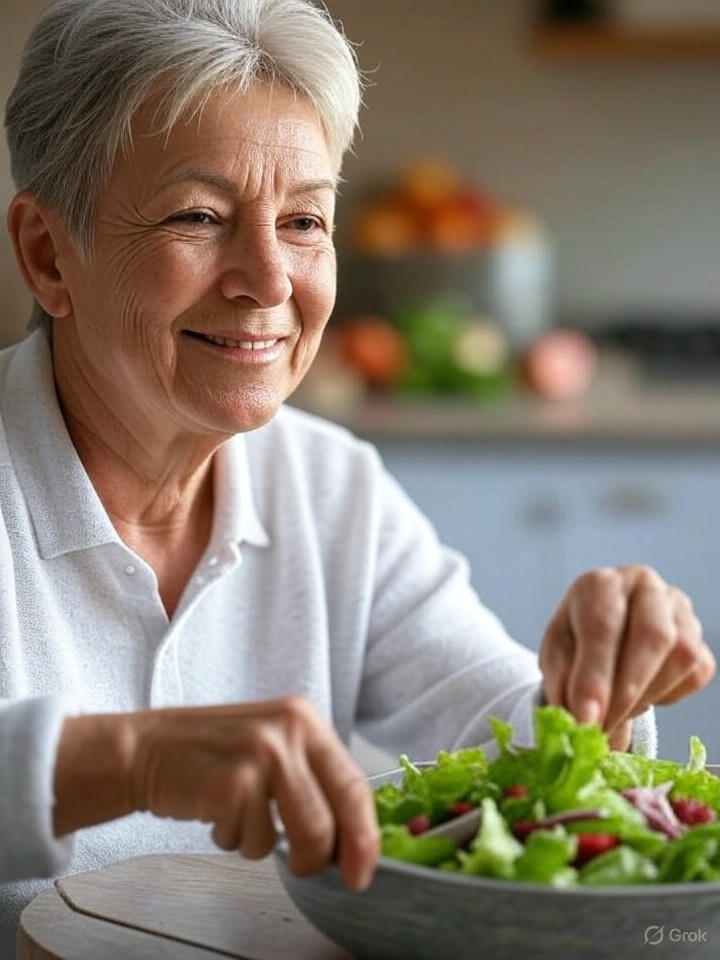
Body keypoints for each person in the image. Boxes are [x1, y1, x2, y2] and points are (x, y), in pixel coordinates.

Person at [0, 0, 713, 953]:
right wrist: (130, 760)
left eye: (303, 220)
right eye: (199, 216)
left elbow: (506, 739)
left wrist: (595, 691)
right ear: (50, 256)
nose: (268, 277)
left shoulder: (332, 486)